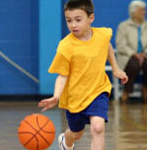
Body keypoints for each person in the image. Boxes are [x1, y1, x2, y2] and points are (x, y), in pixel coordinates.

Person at [38, 0, 128, 150]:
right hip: (75, 97)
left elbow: (107, 46)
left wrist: (115, 68)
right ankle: (66, 141)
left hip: (98, 90)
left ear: (90, 18)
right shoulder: (66, 46)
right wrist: (56, 96)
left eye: (78, 20)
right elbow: (62, 75)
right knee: (76, 133)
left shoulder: (102, 35)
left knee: (98, 128)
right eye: (69, 20)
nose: (73, 25)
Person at [116, 0, 147, 103]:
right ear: (133, 12)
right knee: (134, 65)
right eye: (141, 10)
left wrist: (143, 54)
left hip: (145, 55)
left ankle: (145, 92)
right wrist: (134, 54)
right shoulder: (123, 26)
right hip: (128, 56)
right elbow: (121, 45)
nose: (144, 12)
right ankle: (126, 92)